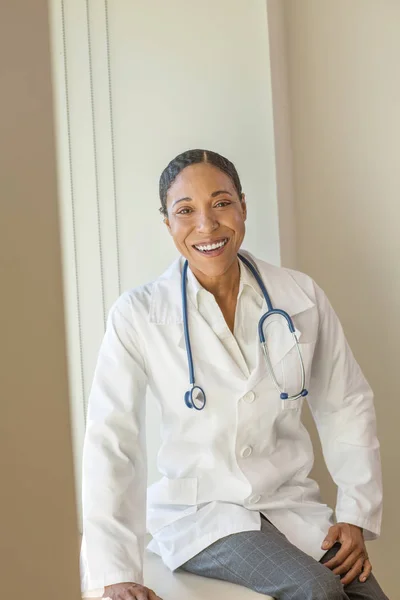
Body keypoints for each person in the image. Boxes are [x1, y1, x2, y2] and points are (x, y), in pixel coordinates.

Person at [80, 149, 387, 600]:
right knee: (317, 589)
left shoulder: (299, 295)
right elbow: (112, 440)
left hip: (287, 501)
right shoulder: (139, 313)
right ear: (168, 223)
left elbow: (345, 403)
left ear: (243, 206)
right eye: (185, 211)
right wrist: (117, 571)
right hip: (200, 512)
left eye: (221, 203)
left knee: (365, 592)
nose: (206, 225)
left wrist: (355, 513)